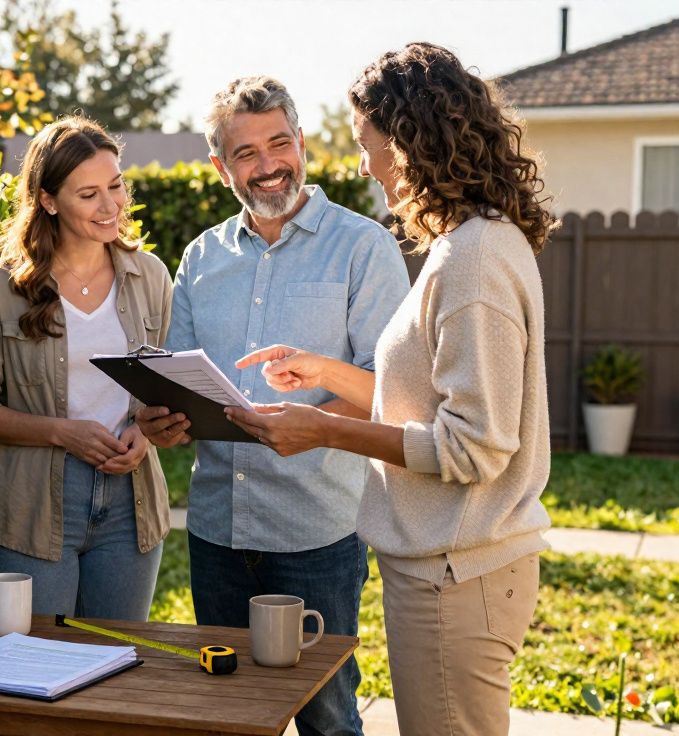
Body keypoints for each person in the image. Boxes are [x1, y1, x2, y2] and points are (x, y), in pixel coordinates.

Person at [226, 43, 557, 735]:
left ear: (407, 142)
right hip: (446, 568)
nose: (365, 164)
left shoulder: (473, 261)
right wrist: (325, 373)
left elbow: (473, 447)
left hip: (457, 575)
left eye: (368, 144)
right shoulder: (468, 245)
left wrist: (323, 428)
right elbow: (425, 402)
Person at [136, 77, 409, 736]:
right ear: (220, 165)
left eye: (278, 144)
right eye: (246, 153)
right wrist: (160, 420)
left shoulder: (362, 247)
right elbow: (179, 380)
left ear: (302, 143)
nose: (267, 166)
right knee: (226, 716)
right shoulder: (200, 258)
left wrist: (318, 411)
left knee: (329, 718)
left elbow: (397, 396)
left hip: (317, 531)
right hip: (216, 533)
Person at [0, 116, 173, 620]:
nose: (111, 205)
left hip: (130, 503)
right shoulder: (2, 287)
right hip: (33, 503)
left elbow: (161, 391)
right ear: (49, 200)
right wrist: (61, 433)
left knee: (115, 666)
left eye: (116, 186)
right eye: (88, 194)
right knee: (32, 668)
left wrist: (146, 432)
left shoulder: (151, 277)